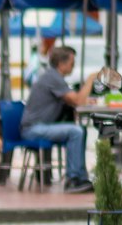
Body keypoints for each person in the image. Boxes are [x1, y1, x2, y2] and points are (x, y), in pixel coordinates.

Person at [20, 44, 97, 192]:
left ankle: (81, 177)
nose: (73, 67)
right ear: (61, 64)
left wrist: (85, 99)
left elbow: (74, 99)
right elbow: (78, 101)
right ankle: (72, 180)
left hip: (40, 126)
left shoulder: (53, 76)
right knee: (76, 132)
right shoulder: (52, 77)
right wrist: (90, 80)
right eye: (72, 63)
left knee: (81, 130)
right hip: (34, 128)